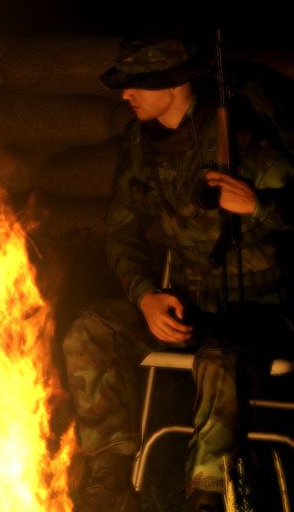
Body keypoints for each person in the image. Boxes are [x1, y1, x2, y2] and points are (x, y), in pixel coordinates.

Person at [62, 33, 294, 512]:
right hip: (188, 306)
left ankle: (206, 497)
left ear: (174, 84)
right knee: (91, 330)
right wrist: (145, 295)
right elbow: (121, 230)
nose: (125, 94)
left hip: (261, 312)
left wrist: (257, 206)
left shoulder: (242, 134)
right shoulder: (141, 143)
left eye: (136, 83)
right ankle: (109, 485)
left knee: (219, 359)